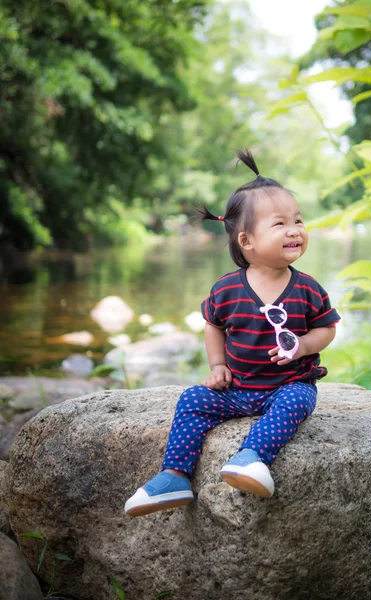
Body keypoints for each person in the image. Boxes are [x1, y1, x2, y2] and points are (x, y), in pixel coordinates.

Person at [125, 149, 340, 517]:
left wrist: (304, 345)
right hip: (237, 390)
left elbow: (327, 328)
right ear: (246, 241)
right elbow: (213, 324)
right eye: (280, 224)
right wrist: (217, 365)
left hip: (288, 384)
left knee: (297, 402)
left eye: (299, 220)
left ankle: (251, 457)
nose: (295, 230)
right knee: (193, 399)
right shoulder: (227, 289)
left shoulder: (307, 288)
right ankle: (174, 476)